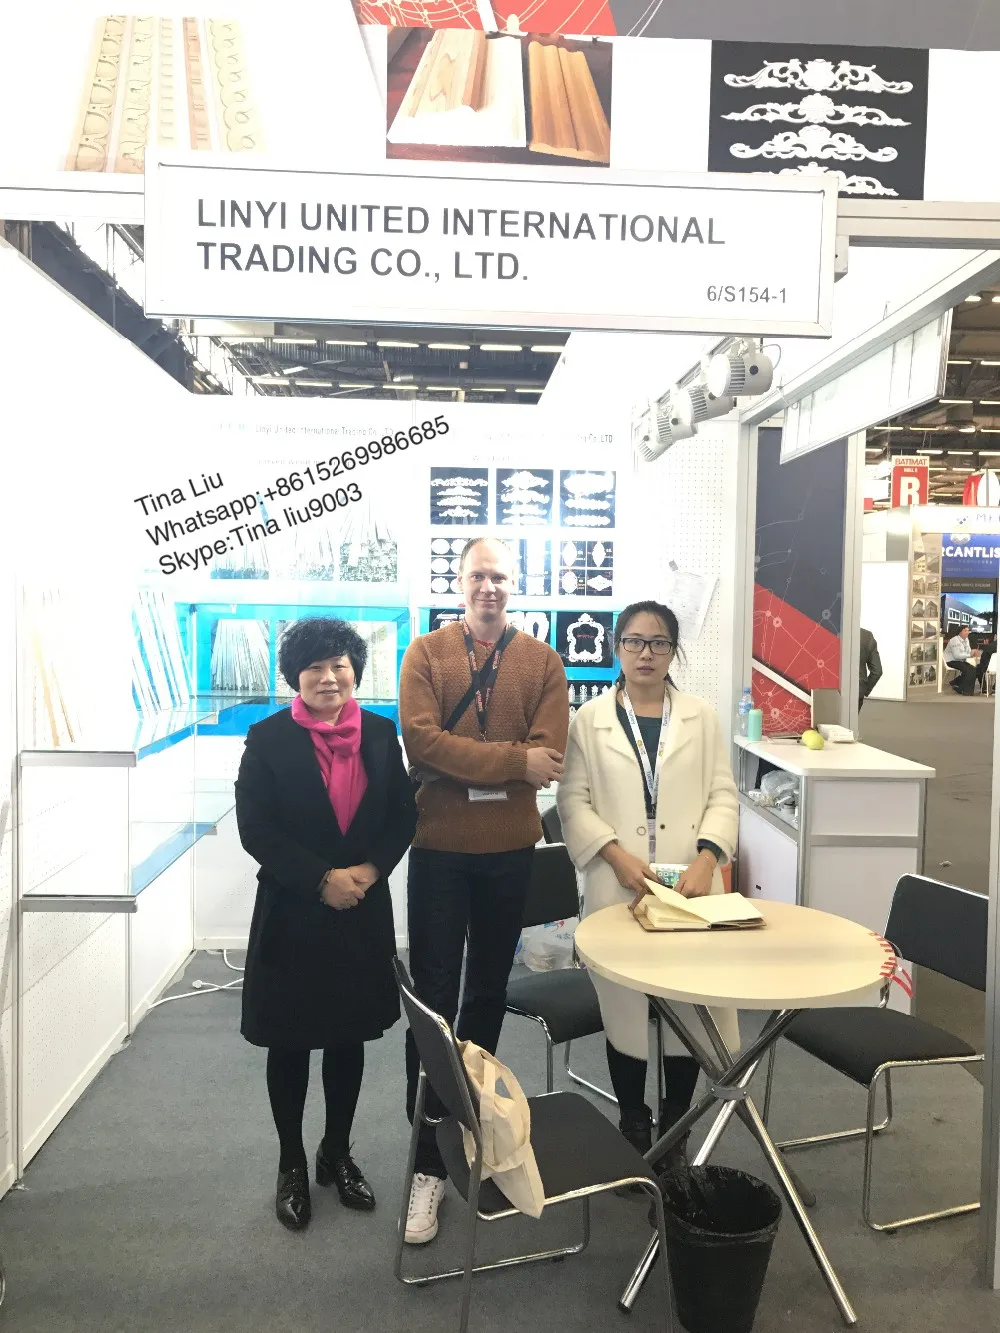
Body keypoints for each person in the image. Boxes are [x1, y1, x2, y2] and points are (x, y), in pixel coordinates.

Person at [398, 536, 569, 1244]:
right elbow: (420, 742)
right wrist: (509, 762)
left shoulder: (544, 662)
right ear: (459, 581)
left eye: (499, 576)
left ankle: (471, 1121)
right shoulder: (426, 654)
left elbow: (548, 758)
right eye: (478, 575)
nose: (489, 587)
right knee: (435, 996)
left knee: (488, 992)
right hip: (438, 848)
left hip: (508, 853)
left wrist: (471, 762)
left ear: (512, 583)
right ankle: (426, 1154)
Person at [235, 617, 417, 1232]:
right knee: (289, 1040)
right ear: (296, 676)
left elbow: (402, 817)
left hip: (361, 908)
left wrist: (368, 870)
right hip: (293, 909)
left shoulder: (381, 735)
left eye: (339, 664)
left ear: (354, 671)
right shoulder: (268, 739)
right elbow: (256, 829)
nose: (328, 677)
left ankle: (335, 1152)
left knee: (347, 1036)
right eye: (314, 666)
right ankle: (290, 1162)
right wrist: (320, 879)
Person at [556, 600, 739, 1165]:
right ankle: (633, 1119)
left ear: (673, 652)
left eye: (659, 643)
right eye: (634, 641)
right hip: (620, 886)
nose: (646, 653)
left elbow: (723, 795)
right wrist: (614, 856)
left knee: (687, 1000)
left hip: (689, 887)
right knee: (625, 1005)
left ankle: (677, 1123)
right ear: (617, 647)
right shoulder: (589, 720)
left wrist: (708, 859)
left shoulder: (702, 718)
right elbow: (572, 801)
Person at [944, 625, 977, 695]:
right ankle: (966, 691)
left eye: (968, 631)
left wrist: (972, 652)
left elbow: (968, 651)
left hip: (960, 660)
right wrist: (970, 654)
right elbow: (956, 656)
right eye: (965, 631)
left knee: (973, 669)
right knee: (969, 670)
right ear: (960, 632)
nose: (967, 632)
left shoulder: (966, 639)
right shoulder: (954, 640)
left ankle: (958, 684)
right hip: (951, 660)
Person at [858, 627, 883, 712]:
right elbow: (877, 671)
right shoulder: (867, 636)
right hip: (858, 688)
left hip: (831, 690)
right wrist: (865, 689)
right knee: (851, 719)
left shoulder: (830, 632)